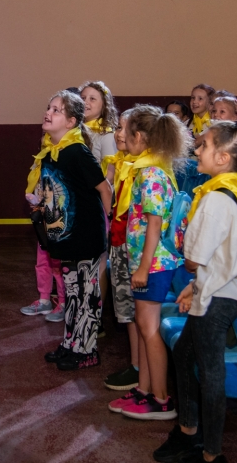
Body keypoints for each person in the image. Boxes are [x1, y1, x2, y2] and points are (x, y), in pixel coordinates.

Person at [153, 121, 237, 463]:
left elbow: (195, 258)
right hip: (215, 289)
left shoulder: (215, 198)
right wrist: (193, 287)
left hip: (220, 296)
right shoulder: (229, 189)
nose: (196, 150)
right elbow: (219, 258)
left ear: (224, 157)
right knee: (185, 355)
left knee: (211, 373)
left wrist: (187, 262)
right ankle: (188, 433)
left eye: (204, 146)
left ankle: (212, 453)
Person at [111, 106, 189, 420]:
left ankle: (161, 398)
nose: (121, 136)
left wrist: (143, 268)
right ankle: (144, 390)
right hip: (146, 262)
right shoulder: (148, 169)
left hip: (153, 265)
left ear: (140, 137)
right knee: (145, 328)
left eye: (125, 130)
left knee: (149, 328)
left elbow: (154, 224)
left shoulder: (152, 173)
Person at [31, 91, 113, 371]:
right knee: (72, 292)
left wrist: (109, 226)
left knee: (86, 294)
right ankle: (71, 344)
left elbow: (104, 188)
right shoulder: (50, 153)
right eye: (49, 107)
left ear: (71, 122)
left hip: (85, 236)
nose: (48, 112)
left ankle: (87, 350)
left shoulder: (77, 151)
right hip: (65, 237)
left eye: (57, 110)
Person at [102, 111, 141, 391]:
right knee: (127, 312)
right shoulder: (121, 163)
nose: (118, 133)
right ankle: (135, 364)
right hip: (118, 243)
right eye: (118, 127)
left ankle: (139, 368)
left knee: (136, 313)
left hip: (133, 249)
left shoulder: (142, 170)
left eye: (126, 129)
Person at [80, 81, 119, 164]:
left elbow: (110, 169)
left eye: (92, 99)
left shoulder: (107, 136)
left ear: (104, 105)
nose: (85, 102)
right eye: (83, 98)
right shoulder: (74, 131)